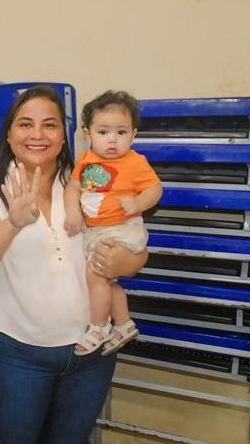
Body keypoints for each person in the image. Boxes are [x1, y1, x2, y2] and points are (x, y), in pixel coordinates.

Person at [0, 85, 147, 444]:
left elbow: (134, 243)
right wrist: (11, 223)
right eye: (25, 124)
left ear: (65, 135)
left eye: (49, 125)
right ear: (9, 134)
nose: (38, 134)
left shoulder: (93, 178)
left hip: (92, 355)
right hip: (17, 357)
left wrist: (129, 261)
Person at [63, 91, 162, 356]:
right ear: (88, 134)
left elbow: (155, 189)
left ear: (133, 135)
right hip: (97, 229)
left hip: (123, 228)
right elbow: (72, 188)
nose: (112, 140)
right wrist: (72, 213)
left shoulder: (135, 162)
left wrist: (139, 203)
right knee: (105, 281)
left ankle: (98, 327)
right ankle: (124, 323)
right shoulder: (85, 161)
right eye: (103, 132)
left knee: (95, 272)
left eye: (121, 132)